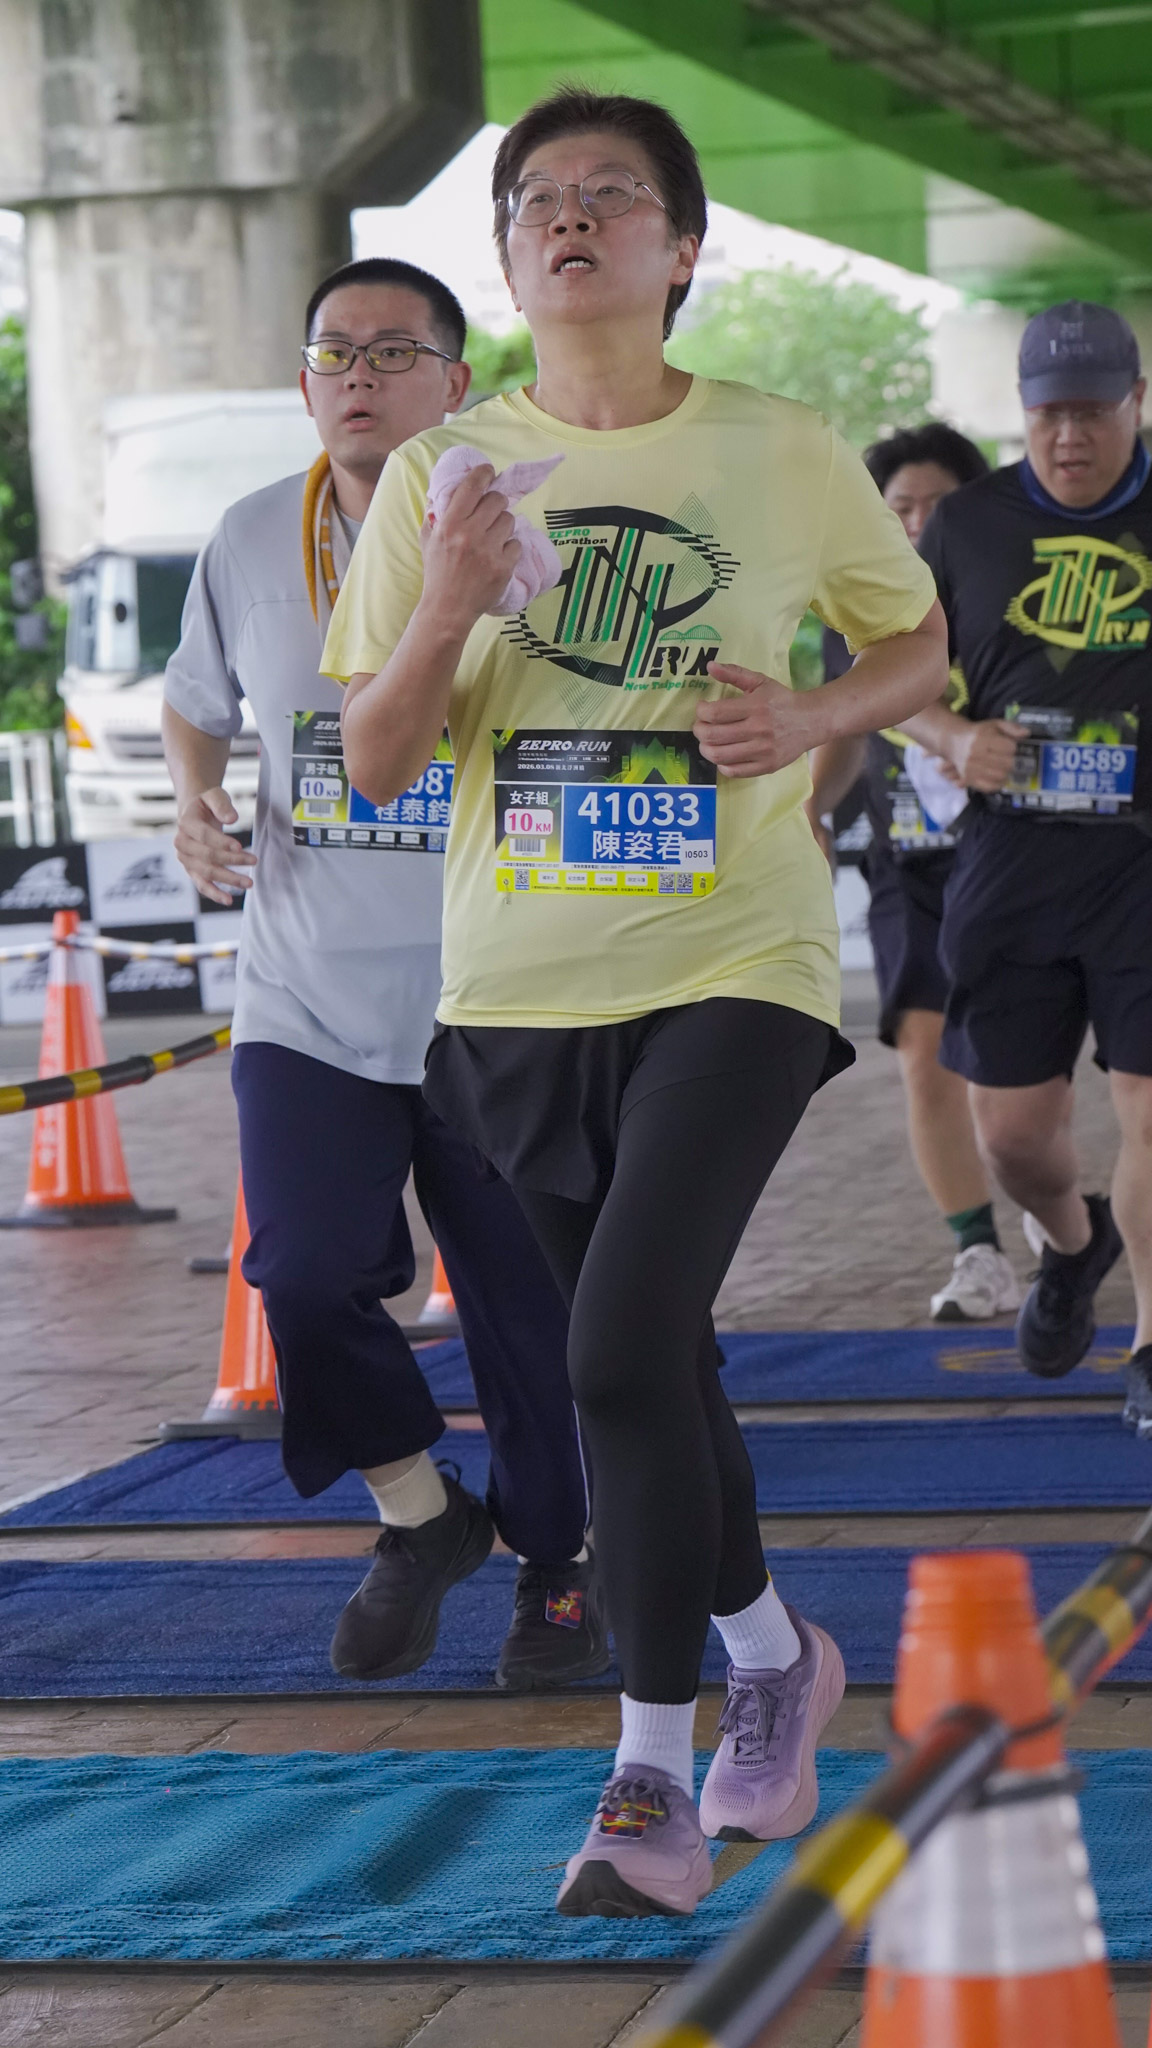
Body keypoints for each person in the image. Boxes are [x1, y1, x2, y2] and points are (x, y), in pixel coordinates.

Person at [322, 88, 947, 1919]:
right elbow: (375, 759)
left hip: (735, 960)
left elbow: (916, 642)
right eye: (537, 199)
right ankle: (776, 1654)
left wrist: (813, 714)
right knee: (658, 1360)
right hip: (519, 987)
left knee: (612, 1352)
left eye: (610, 194)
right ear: (511, 256)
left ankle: (650, 1775)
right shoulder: (445, 474)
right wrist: (446, 601)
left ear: (682, 248)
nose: (569, 216)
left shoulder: (778, 446)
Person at [162, 255, 607, 1694]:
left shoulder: (531, 530)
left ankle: (560, 1562)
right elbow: (193, 704)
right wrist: (192, 801)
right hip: (304, 993)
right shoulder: (250, 536)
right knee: (299, 1275)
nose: (359, 374)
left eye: (394, 350)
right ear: (305, 385)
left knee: (531, 1313)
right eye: (334, 352)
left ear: (457, 384)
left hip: (501, 992)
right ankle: (421, 1515)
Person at [896, 301, 1152, 1407]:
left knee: (1148, 1104)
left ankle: (1149, 1349)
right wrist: (954, 738)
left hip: (1144, 859)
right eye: (1049, 414)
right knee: (1012, 1137)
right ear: (1023, 411)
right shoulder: (968, 525)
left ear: (1137, 401)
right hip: (1014, 860)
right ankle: (1073, 1241)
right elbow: (888, 672)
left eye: (1093, 412)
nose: (1070, 436)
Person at [807, 425, 1023, 1323]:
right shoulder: (853, 609)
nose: (918, 522)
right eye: (900, 507)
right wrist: (812, 809)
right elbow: (846, 728)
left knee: (1019, 1078)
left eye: (938, 505)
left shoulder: (1017, 596)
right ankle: (978, 1251)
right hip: (907, 867)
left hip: (1016, 857)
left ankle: (1049, 1200)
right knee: (925, 1060)